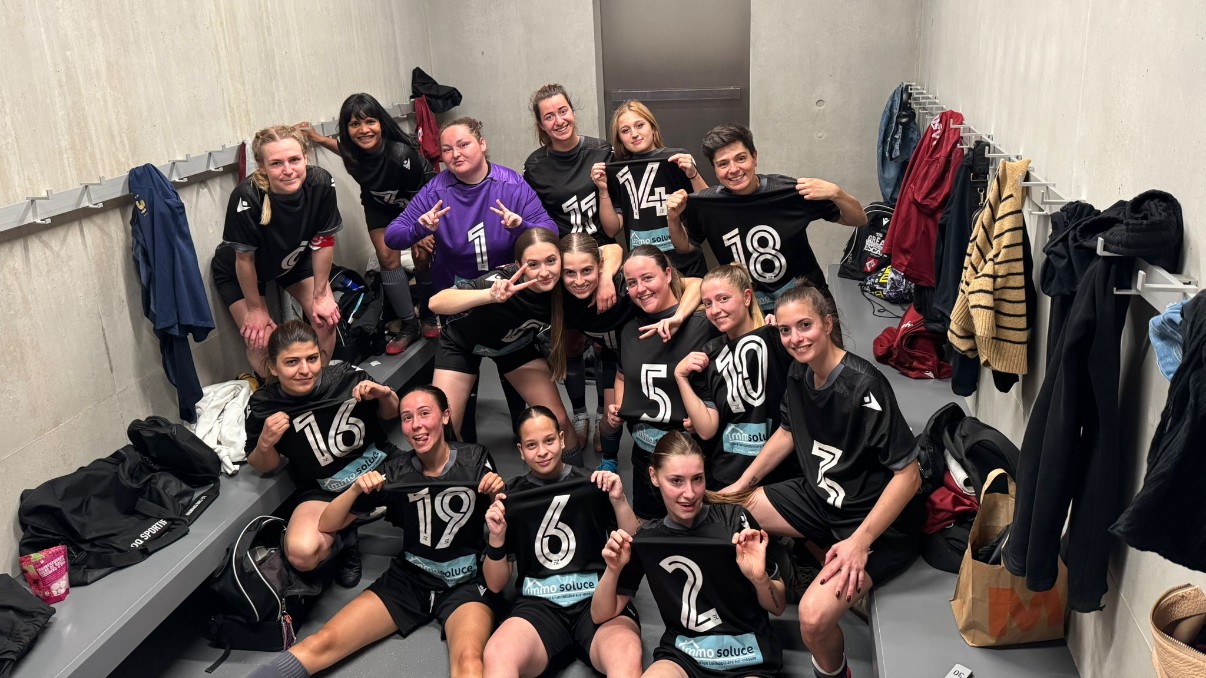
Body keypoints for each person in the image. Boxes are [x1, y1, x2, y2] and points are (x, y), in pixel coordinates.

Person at [721, 284, 923, 678]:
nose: (795, 338)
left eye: (805, 325)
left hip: (876, 524)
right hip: (825, 499)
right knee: (736, 510)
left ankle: (835, 670)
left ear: (828, 324)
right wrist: (743, 483)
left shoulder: (864, 386)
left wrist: (860, 543)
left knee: (813, 620)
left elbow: (909, 475)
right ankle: (773, 588)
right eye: (785, 330)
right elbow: (787, 431)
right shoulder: (799, 371)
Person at [247, 385, 505, 678]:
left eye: (425, 414)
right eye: (407, 417)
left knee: (469, 661)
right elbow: (328, 524)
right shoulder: (396, 472)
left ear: (445, 416)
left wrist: (496, 494)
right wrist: (355, 489)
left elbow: (505, 522)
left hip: (465, 583)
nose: (416, 425)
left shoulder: (476, 460)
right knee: (322, 642)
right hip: (410, 580)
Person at [386, 116, 555, 441]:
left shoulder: (510, 185)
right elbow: (393, 236)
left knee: (519, 392)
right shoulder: (436, 190)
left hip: (507, 302)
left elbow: (549, 231)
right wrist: (420, 228)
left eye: (463, 144)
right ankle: (469, 458)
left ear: (482, 144)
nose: (455, 154)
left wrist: (522, 227)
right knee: (456, 409)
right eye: (447, 149)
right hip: (459, 305)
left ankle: (527, 447)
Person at [592, 432, 787, 678]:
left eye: (697, 479)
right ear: (654, 476)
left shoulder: (734, 521)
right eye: (676, 481)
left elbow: (778, 607)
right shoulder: (649, 538)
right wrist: (612, 570)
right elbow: (601, 614)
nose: (690, 493)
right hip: (685, 655)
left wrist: (760, 579)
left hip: (747, 656)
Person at [481, 406, 643, 678]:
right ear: (520, 450)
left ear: (562, 439)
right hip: (539, 606)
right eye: (531, 445)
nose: (542, 452)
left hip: (597, 600)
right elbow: (495, 584)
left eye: (549, 441)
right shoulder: (510, 498)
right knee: (497, 656)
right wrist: (496, 537)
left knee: (626, 655)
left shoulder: (593, 484)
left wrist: (619, 500)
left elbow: (635, 545)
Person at [244, 320, 400, 585]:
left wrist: (384, 394)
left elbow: (392, 413)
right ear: (273, 367)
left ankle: (356, 517)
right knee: (301, 553)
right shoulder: (263, 404)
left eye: (312, 358)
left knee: (442, 489)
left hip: (382, 467)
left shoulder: (347, 375)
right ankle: (346, 535)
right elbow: (264, 465)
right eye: (292, 362)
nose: (305, 370)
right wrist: (265, 443)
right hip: (326, 489)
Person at [666, 124, 867, 311]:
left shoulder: (788, 191)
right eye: (723, 164)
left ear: (754, 157)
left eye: (741, 158)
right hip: (752, 308)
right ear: (715, 170)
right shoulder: (707, 205)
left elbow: (859, 219)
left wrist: (837, 193)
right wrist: (673, 218)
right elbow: (686, 247)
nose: (733, 169)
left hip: (807, 301)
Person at [427, 228, 589, 457]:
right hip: (462, 345)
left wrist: (606, 281)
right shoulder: (500, 281)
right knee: (445, 428)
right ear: (518, 265)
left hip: (515, 347)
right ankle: (462, 475)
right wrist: (489, 296)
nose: (544, 272)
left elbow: (611, 250)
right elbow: (436, 302)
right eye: (533, 264)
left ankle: (576, 475)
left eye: (551, 261)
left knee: (558, 419)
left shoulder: (565, 283)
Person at [552, 233, 703, 473]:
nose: (579, 280)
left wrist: (678, 317)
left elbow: (696, 283)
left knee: (623, 413)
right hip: (615, 356)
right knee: (611, 418)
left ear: (600, 266)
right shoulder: (560, 294)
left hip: (639, 351)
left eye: (587, 271)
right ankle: (608, 456)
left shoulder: (625, 283)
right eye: (570, 273)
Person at [299, 93, 437, 354]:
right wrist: (317, 138)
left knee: (421, 255)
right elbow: (341, 148)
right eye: (355, 124)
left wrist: (420, 232)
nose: (363, 130)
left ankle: (429, 315)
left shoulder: (400, 153)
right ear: (347, 129)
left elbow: (420, 196)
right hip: (379, 206)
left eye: (370, 121)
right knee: (387, 258)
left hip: (417, 203)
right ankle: (409, 324)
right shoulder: (352, 152)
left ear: (381, 123)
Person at [523, 83, 616, 450]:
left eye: (563, 111)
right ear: (541, 125)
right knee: (572, 343)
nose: (558, 120)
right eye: (549, 116)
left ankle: (604, 415)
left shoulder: (602, 151)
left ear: (573, 112)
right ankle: (580, 415)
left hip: (601, 261)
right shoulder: (535, 166)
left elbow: (615, 224)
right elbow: (537, 221)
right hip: (565, 268)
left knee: (605, 345)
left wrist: (606, 273)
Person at [210, 125, 342, 373]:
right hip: (242, 270)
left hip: (292, 259)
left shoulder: (320, 183)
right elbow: (245, 260)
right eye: (276, 163)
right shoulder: (247, 196)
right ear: (261, 166)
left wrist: (321, 296)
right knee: (261, 341)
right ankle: (278, 393)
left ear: (306, 157)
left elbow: (324, 242)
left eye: (294, 160)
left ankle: (318, 386)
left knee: (325, 322)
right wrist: (256, 309)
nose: (288, 170)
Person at [606, 246, 715, 520]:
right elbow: (622, 374)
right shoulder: (629, 329)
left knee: (700, 528)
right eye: (632, 282)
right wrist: (621, 406)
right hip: (646, 456)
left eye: (647, 278)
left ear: (667, 274)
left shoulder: (702, 322)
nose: (640, 289)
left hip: (693, 460)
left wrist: (705, 415)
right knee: (649, 528)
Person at [674, 264, 800, 491]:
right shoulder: (709, 354)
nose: (715, 310)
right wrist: (680, 376)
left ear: (747, 297)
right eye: (708, 303)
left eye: (723, 299)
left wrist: (784, 330)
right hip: (727, 474)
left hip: (780, 474)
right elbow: (706, 429)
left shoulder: (776, 339)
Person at [595, 100, 710, 278]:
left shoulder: (676, 159)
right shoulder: (616, 169)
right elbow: (612, 229)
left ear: (653, 127)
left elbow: (708, 210)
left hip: (686, 264)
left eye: (639, 125)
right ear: (619, 139)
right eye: (625, 130)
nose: (634, 134)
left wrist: (693, 174)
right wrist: (603, 190)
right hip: (643, 268)